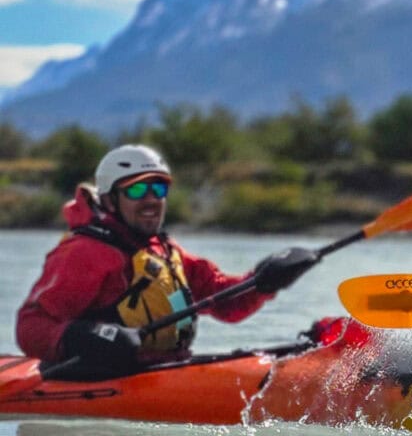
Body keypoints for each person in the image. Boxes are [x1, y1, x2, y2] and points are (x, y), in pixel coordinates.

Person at [15, 143, 319, 378]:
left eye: (158, 189)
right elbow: (31, 326)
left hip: (165, 370)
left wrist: (264, 281)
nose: (151, 199)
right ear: (109, 199)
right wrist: (82, 337)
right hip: (98, 378)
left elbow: (225, 303)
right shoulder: (86, 253)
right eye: (136, 189)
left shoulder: (166, 251)